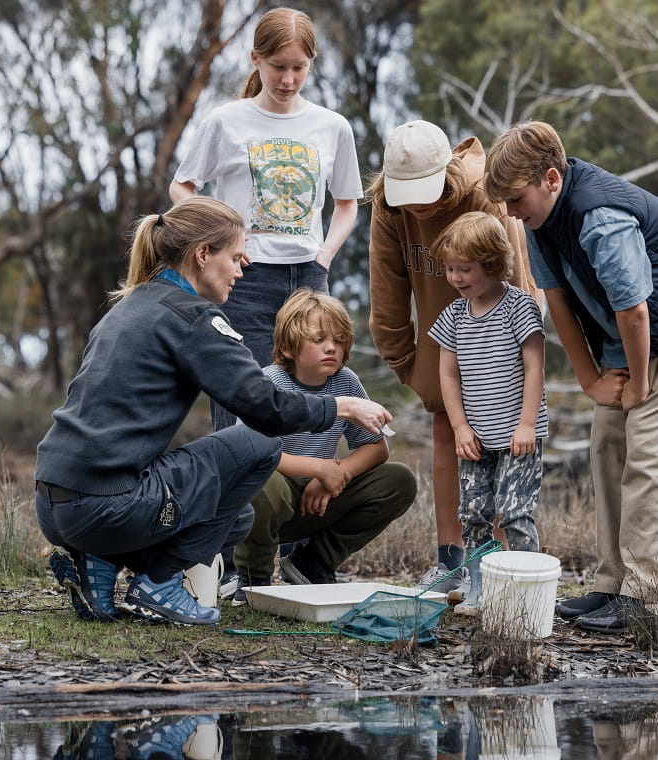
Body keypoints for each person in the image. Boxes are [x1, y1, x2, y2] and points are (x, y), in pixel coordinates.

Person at [34, 197, 392, 627]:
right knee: (256, 446)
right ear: (203, 255)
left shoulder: (127, 308)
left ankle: (100, 562)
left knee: (238, 514)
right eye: (237, 258)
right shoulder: (193, 319)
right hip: (108, 505)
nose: (242, 271)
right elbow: (265, 407)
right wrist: (343, 406)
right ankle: (159, 582)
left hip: (53, 503)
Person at [483, 120, 658, 633]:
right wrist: (591, 381)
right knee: (607, 446)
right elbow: (557, 304)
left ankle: (650, 597)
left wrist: (639, 384)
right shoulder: (539, 226)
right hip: (626, 333)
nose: (509, 211)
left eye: (515, 197)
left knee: (652, 454)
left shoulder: (599, 217)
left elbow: (636, 310)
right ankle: (612, 583)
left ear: (551, 178)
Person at [367, 119, 540, 598]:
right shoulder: (388, 207)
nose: (418, 203)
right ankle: (451, 561)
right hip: (441, 338)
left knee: (501, 440)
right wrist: (409, 365)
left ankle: (502, 568)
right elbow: (387, 290)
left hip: (499, 335)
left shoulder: (482, 194)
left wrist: (514, 356)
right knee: (446, 430)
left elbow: (518, 274)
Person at [169, 6, 363, 432]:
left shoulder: (332, 127)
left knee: (312, 397)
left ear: (312, 63)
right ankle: (238, 499)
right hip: (243, 281)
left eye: (299, 67)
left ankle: (305, 491)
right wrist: (218, 243)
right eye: (278, 67)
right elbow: (183, 187)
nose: (288, 79)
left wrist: (324, 257)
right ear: (255, 59)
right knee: (241, 402)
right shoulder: (225, 121)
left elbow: (347, 203)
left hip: (309, 278)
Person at [231, 289, 417, 601]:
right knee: (263, 483)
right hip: (270, 499)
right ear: (290, 347)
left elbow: (377, 447)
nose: (331, 347)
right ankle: (253, 576)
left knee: (399, 480)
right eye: (318, 340)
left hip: (319, 500)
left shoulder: (346, 382)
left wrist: (335, 474)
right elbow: (251, 452)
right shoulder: (270, 382)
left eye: (339, 339)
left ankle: (313, 562)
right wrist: (319, 468)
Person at [428, 211, 548, 614]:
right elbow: (448, 374)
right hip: (475, 438)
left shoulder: (520, 308)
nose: (457, 278)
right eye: (449, 269)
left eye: (465, 268)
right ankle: (481, 592)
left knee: (514, 512)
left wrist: (527, 424)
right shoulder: (454, 317)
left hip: (518, 436)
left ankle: (527, 594)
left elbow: (535, 367)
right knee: (475, 513)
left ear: (494, 263)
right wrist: (460, 427)